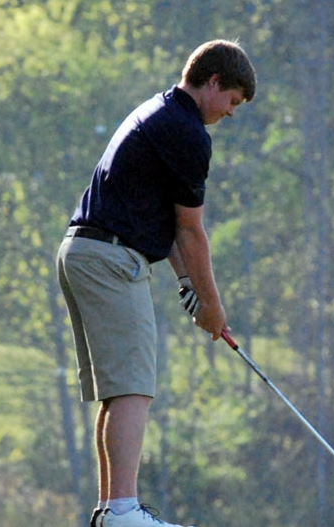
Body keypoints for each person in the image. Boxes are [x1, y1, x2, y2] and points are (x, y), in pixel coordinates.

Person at [55, 39, 256, 527]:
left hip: (85, 251)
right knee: (134, 387)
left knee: (118, 388)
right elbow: (191, 230)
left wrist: (188, 285)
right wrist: (212, 306)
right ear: (212, 82)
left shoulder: (158, 111)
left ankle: (110, 511)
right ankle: (123, 511)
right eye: (230, 102)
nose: (229, 115)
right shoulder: (187, 132)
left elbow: (166, 223)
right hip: (111, 259)